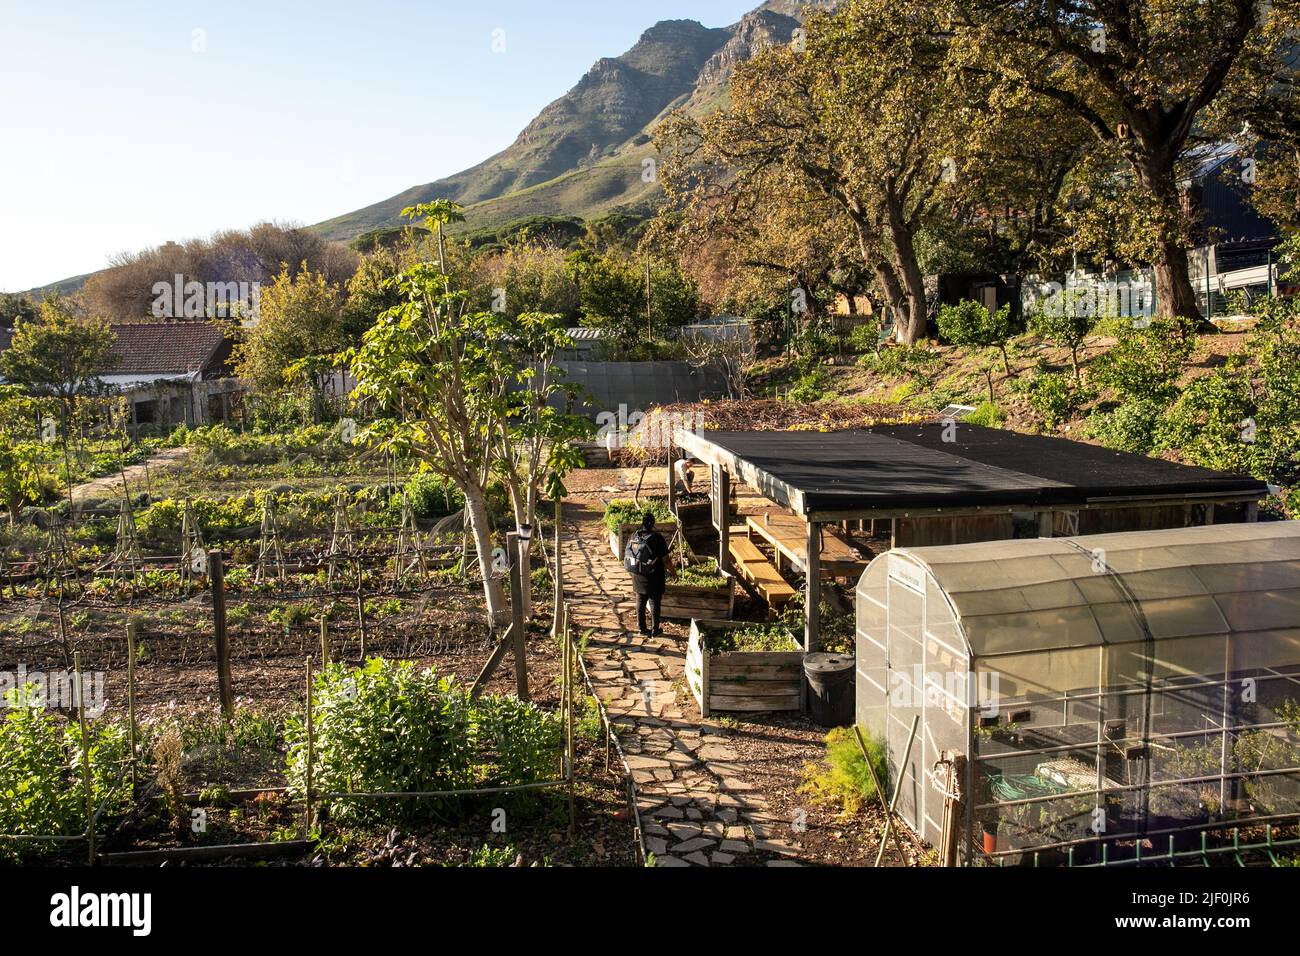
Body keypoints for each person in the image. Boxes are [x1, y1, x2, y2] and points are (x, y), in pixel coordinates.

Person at [624, 512, 670, 636]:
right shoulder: (657, 538)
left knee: (640, 600)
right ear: (653, 523)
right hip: (654, 575)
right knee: (654, 602)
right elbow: (666, 559)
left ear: (642, 523)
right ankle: (655, 629)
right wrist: (674, 573)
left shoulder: (634, 535)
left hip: (638, 573)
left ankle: (642, 629)